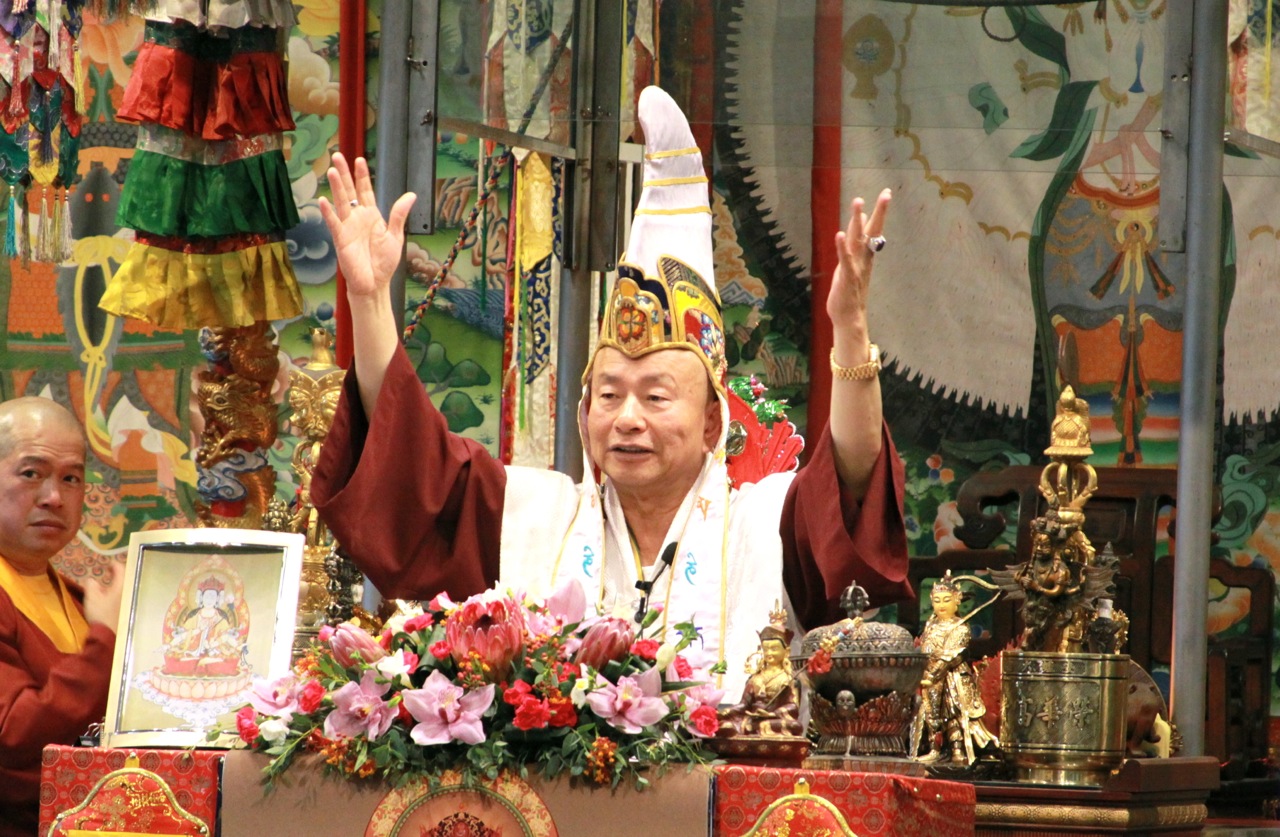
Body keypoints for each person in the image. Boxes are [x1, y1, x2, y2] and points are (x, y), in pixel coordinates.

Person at [312, 85, 911, 695]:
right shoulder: (533, 519)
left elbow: (852, 482)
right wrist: (370, 301)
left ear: (712, 422)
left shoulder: (766, 528)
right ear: (584, 412)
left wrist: (850, 330)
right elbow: (409, 470)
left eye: (656, 397)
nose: (627, 418)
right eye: (608, 395)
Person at [0, 397, 123, 836]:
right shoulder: (101, 620)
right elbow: (14, 741)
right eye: (31, 473)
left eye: (71, 478)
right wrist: (106, 639)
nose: (54, 497)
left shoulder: (75, 598)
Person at [909, 573, 997, 765]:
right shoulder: (930, 626)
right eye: (937, 600)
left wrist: (934, 674)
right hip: (928, 674)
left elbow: (951, 655)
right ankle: (934, 748)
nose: (941, 605)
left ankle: (958, 750)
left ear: (957, 601)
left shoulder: (960, 628)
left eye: (947, 600)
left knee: (953, 711)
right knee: (930, 712)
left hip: (952, 676)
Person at [716, 609, 804, 737]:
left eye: (774, 649)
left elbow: (793, 706)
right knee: (725, 724)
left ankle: (753, 731)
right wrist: (726, 711)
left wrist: (772, 714)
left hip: (774, 719)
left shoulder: (789, 679)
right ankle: (745, 730)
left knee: (795, 726)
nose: (769, 653)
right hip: (752, 719)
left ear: (786, 651)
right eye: (766, 649)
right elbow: (744, 705)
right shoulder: (755, 678)